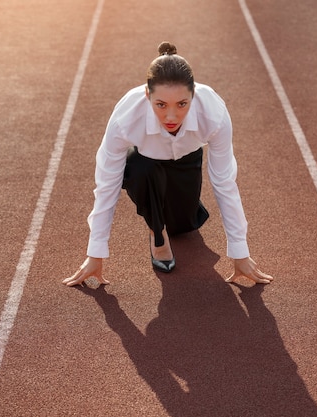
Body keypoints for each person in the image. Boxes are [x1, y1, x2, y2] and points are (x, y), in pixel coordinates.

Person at [63, 42, 273, 286]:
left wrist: (240, 253)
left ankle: (176, 208)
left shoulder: (213, 113)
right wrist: (95, 254)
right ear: (147, 95)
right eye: (161, 105)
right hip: (146, 164)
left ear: (193, 94)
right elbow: (107, 183)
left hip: (187, 161)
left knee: (184, 227)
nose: (171, 117)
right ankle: (157, 233)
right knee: (140, 169)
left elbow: (225, 182)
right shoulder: (126, 117)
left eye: (182, 104)